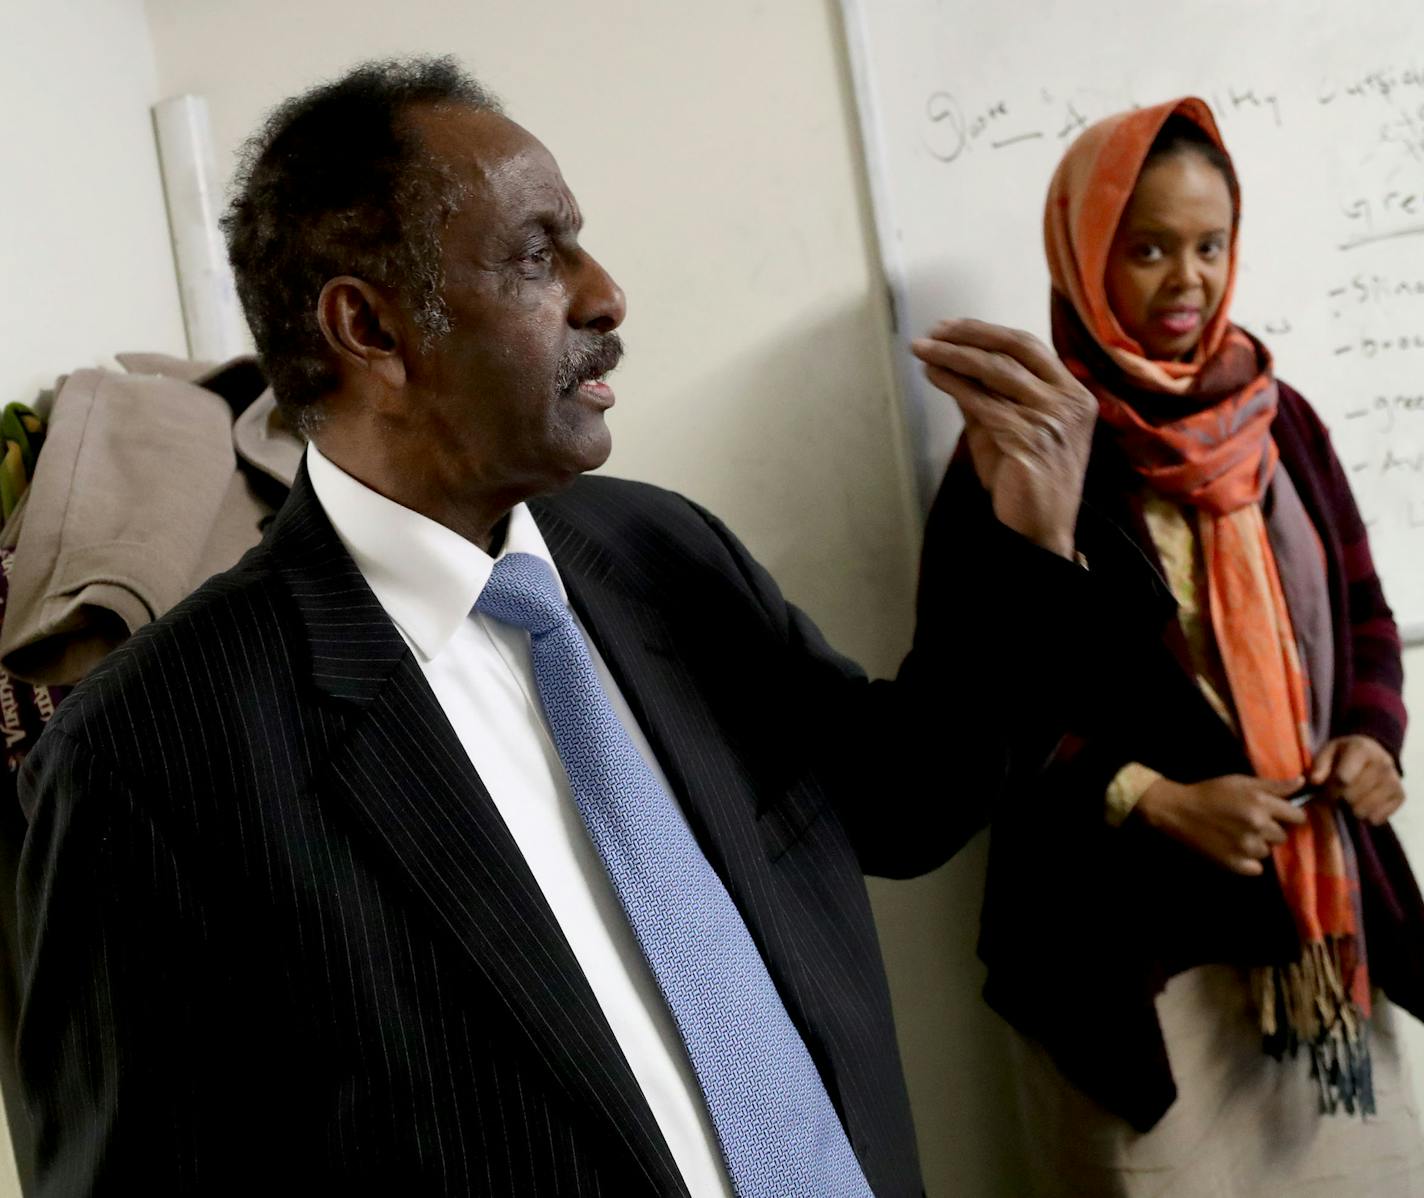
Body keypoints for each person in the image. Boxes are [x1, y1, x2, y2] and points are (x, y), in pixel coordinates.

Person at [16, 58, 1101, 1195]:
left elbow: (902, 801)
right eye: (539, 254)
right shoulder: (144, 760)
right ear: (371, 327)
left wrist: (1025, 538)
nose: (606, 294)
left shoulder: (660, 553)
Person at [967, 96, 1424, 1196]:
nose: (1186, 278)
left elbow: (1362, 616)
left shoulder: (1280, 420)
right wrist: (1159, 799)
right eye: (1147, 248)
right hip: (1132, 951)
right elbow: (986, 707)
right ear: (1083, 255)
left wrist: (1369, 737)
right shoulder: (1034, 449)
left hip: (1320, 924)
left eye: (1208, 245)